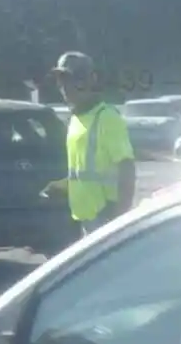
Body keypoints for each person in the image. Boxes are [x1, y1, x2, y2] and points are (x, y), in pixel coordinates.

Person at [43, 52, 135, 236]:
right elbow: (84, 173)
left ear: (90, 80)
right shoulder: (76, 119)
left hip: (106, 219)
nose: (65, 88)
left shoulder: (107, 117)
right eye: (61, 81)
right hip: (85, 218)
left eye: (71, 79)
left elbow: (127, 169)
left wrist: (120, 221)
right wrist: (61, 186)